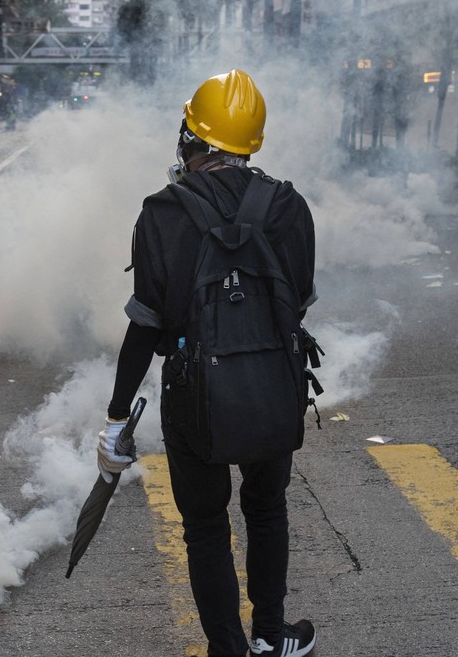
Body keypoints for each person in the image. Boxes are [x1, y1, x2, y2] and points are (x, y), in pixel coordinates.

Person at [98, 69, 317, 657]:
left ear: (191, 137)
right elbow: (299, 302)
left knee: (205, 527)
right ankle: (273, 637)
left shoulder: (163, 213)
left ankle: (231, 650)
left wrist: (118, 416)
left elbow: (146, 325)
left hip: (196, 397)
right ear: (250, 144)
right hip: (275, 389)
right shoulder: (290, 207)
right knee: (267, 507)